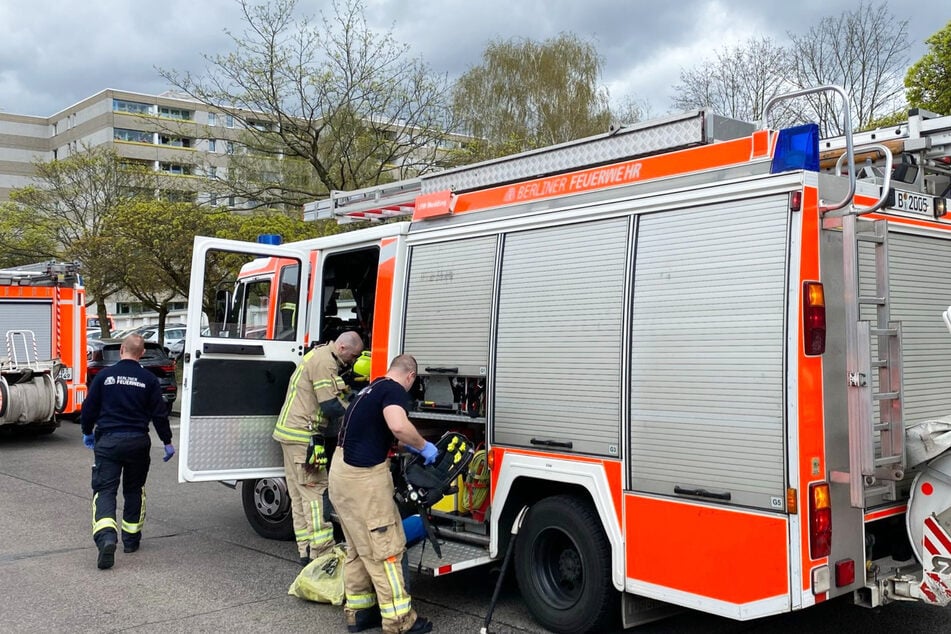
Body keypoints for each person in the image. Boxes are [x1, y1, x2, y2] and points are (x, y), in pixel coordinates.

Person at [329, 354, 437, 634]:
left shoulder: (370, 389)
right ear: (410, 376)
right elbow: (398, 425)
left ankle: (360, 614)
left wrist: (404, 447)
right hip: (364, 480)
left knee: (358, 547)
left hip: (340, 474)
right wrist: (424, 446)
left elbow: (370, 434)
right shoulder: (394, 390)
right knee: (386, 549)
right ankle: (400, 621)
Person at [81, 333, 175, 570]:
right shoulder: (148, 379)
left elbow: (89, 407)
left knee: (105, 490)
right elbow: (159, 414)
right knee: (134, 490)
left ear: (122, 349)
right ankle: (131, 541)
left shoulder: (104, 376)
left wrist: (87, 431)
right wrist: (166, 441)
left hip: (109, 441)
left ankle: (106, 538)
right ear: (141, 353)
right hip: (137, 443)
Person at [273, 330, 363, 566]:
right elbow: (331, 405)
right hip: (303, 436)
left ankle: (305, 550)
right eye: (353, 356)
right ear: (343, 348)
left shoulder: (321, 355)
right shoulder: (325, 363)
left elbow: (337, 391)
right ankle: (321, 553)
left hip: (291, 433)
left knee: (298, 494)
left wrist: (354, 396)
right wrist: (360, 415)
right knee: (315, 494)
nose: (352, 361)